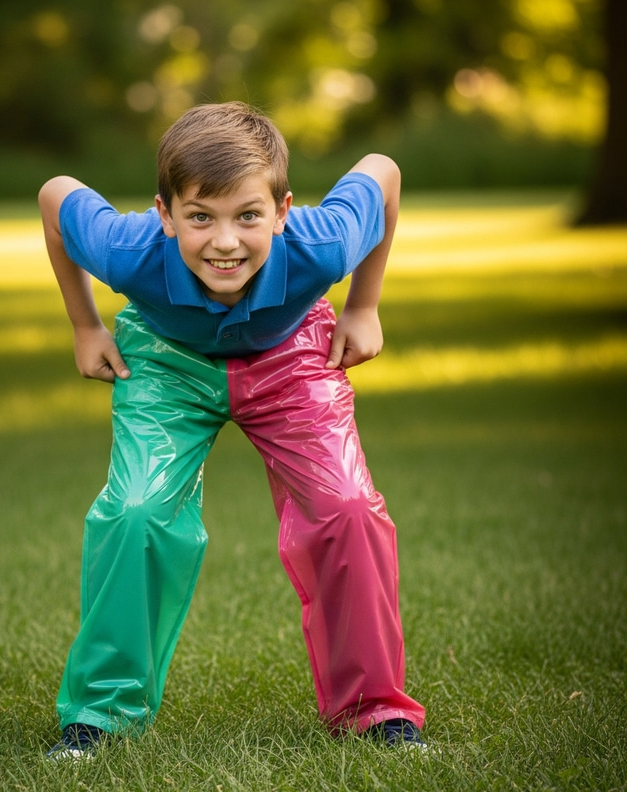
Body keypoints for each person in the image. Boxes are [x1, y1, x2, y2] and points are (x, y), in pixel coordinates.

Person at [38, 101, 426, 758]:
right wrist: (85, 325)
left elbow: (383, 172)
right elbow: (55, 198)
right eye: (199, 217)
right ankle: (98, 715)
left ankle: (376, 711)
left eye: (248, 216)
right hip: (165, 363)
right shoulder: (127, 251)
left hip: (293, 356)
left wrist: (363, 305)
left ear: (282, 210)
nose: (224, 241)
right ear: (164, 216)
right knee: (136, 510)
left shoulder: (322, 242)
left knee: (348, 506)